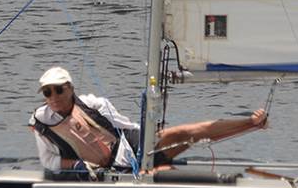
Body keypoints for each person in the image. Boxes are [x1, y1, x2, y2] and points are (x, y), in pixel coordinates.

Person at [29, 65, 269, 177]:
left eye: (58, 90)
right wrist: (78, 166)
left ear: (70, 88)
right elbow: (49, 160)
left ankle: (251, 122)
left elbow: (126, 126)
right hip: (107, 170)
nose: (54, 97)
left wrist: (152, 133)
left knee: (187, 132)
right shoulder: (41, 122)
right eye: (47, 92)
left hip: (132, 149)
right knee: (164, 174)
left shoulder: (94, 104)